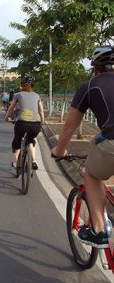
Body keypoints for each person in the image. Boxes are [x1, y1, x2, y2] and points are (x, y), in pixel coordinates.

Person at [51, 46, 114, 248]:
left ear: (95, 68)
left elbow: (69, 127)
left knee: (92, 175)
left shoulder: (89, 86)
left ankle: (99, 230)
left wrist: (60, 150)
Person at [5, 75, 44, 172]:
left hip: (22, 123)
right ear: (33, 86)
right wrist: (42, 122)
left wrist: (7, 118)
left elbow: (11, 108)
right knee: (30, 141)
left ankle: (14, 162)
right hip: (36, 125)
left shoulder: (18, 95)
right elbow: (41, 111)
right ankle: (34, 160)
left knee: (17, 142)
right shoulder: (37, 95)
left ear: (22, 85)